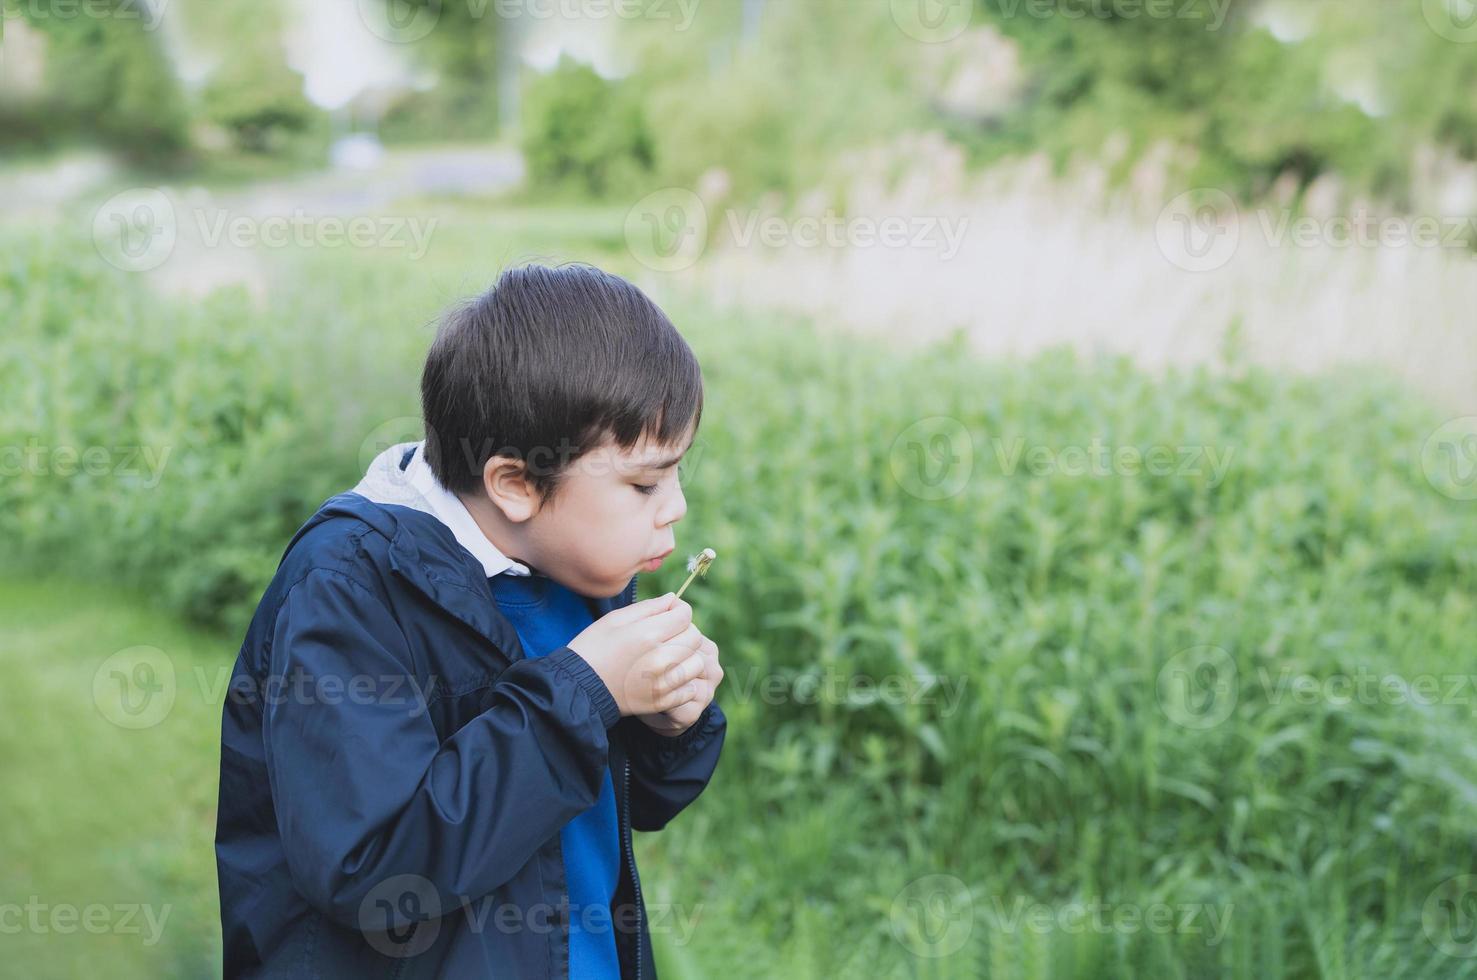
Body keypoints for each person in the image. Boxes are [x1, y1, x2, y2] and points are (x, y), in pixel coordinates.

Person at [215, 263, 727, 978]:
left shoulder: (580, 568)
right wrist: (583, 693)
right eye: (643, 483)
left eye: (677, 472)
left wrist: (672, 724)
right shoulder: (350, 588)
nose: (672, 506)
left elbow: (617, 803)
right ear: (515, 484)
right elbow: (372, 872)